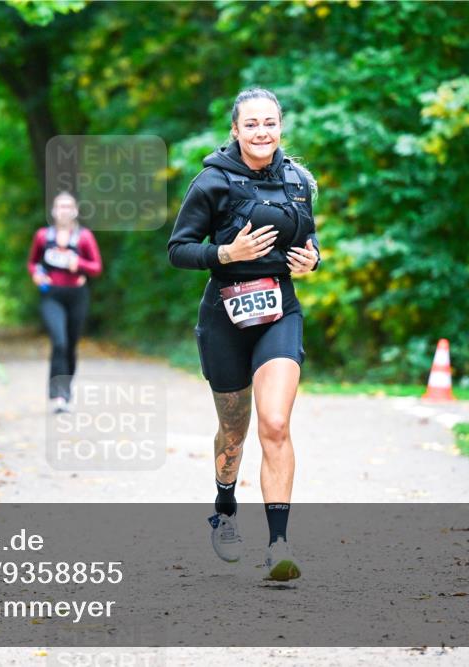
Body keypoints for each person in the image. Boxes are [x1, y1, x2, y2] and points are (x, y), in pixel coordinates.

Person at [167, 88, 321, 581]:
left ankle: (279, 545)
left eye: (270, 123)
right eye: (251, 124)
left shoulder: (298, 179)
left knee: (274, 423)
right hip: (225, 317)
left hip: (280, 310)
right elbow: (179, 249)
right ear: (235, 129)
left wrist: (314, 257)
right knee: (234, 431)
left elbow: (308, 236)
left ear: (281, 126)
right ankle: (225, 508)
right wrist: (225, 255)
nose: (262, 132)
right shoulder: (212, 182)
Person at [27, 191, 103, 413]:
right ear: (53, 211)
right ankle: (59, 395)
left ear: (75, 211)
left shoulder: (84, 237)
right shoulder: (43, 236)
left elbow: (96, 267)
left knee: (69, 346)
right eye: (60, 206)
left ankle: (66, 390)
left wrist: (78, 263)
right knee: (59, 342)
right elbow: (33, 263)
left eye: (68, 206)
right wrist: (36, 274)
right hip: (51, 295)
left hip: (77, 296)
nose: (64, 210)